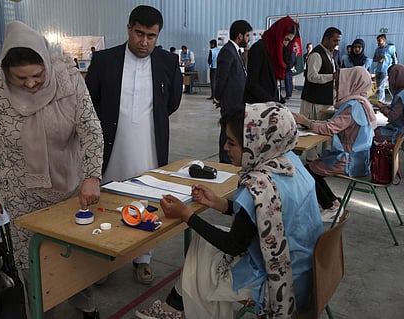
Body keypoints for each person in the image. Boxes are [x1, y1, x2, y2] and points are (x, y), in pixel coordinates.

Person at [136, 103, 323, 319]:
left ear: (256, 144)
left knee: (202, 255)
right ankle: (174, 306)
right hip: (305, 270)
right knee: (203, 244)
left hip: (279, 283)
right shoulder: (290, 164)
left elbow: (233, 245)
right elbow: (265, 217)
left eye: (232, 143)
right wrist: (220, 204)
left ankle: (176, 308)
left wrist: (186, 214)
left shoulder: (260, 186)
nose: (225, 148)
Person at [0, 21, 104, 319]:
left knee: (74, 252)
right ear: (6, 70)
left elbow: (90, 130)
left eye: (37, 75)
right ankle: (39, 307)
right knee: (27, 259)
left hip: (68, 186)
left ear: (46, 62)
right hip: (20, 190)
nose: (31, 84)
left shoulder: (69, 79)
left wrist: (92, 176)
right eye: (20, 78)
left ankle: (84, 303)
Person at [85, 5, 183, 285]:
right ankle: (104, 260)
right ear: (129, 28)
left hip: (149, 147)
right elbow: (90, 103)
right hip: (111, 147)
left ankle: (143, 259)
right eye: (139, 34)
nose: (144, 42)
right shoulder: (104, 60)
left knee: (147, 202)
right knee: (108, 202)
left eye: (151, 36)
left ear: (158, 35)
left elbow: (171, 103)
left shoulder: (168, 61)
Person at [294, 66, 376, 219]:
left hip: (347, 160)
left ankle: (330, 206)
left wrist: (306, 121)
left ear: (352, 83)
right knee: (312, 168)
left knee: (305, 171)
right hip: (359, 157)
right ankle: (332, 202)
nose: (337, 87)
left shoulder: (352, 107)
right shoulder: (363, 103)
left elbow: (330, 128)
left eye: (340, 83)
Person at [214, 19, 253, 164]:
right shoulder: (227, 51)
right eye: (247, 36)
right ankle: (225, 163)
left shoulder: (236, 51)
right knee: (227, 134)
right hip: (230, 101)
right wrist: (218, 97)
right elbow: (221, 77)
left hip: (237, 101)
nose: (249, 39)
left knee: (232, 133)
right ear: (240, 36)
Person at [244, 15, 299, 104]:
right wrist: (272, 101)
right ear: (278, 35)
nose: (286, 44)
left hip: (270, 103)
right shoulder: (259, 49)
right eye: (285, 39)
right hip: (258, 105)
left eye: (289, 41)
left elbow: (273, 82)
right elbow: (252, 83)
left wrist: (279, 99)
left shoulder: (276, 52)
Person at [300, 27, 341, 122]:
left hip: (325, 101)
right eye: (334, 40)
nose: (337, 44)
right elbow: (311, 77)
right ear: (326, 39)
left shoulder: (330, 54)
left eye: (338, 41)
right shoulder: (316, 54)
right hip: (314, 102)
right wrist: (333, 76)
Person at [374, 64, 404, 143]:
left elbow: (392, 116)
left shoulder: (402, 94)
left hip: (401, 132)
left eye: (391, 77)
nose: (390, 81)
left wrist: (381, 107)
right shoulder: (401, 92)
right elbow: (398, 109)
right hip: (400, 127)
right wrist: (383, 105)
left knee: (376, 132)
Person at [373, 34, 398, 103]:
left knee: (381, 86)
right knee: (378, 87)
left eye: (379, 41)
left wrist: (394, 69)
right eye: (377, 41)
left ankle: (380, 101)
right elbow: (374, 59)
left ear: (384, 40)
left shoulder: (390, 48)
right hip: (378, 70)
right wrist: (378, 59)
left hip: (386, 70)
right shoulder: (377, 49)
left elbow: (395, 59)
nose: (378, 42)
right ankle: (380, 100)